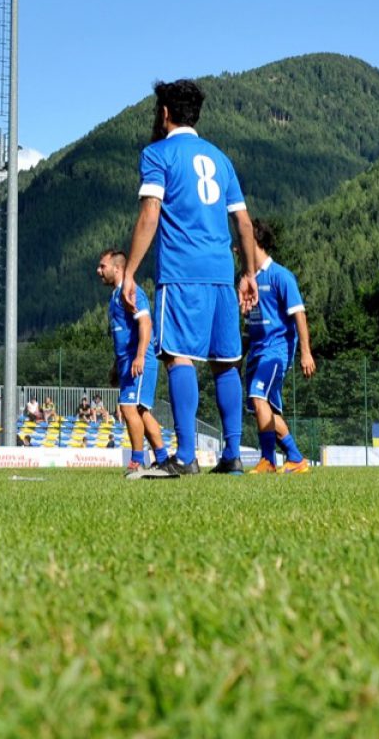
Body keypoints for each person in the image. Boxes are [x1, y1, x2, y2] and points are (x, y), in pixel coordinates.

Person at [122, 79, 259, 476]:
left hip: (182, 273)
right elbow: (244, 223)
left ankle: (184, 457)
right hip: (221, 273)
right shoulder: (220, 158)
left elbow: (150, 213)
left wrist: (129, 272)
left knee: (178, 356)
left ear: (165, 113)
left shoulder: (157, 154)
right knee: (225, 363)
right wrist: (249, 273)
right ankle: (232, 455)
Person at [242, 220, 316, 474]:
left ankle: (268, 461)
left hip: (275, 351)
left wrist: (305, 353)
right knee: (265, 410)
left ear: (255, 242)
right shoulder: (247, 279)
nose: (237, 248)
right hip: (257, 351)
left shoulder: (281, 276)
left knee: (258, 397)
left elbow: (299, 315)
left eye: (242, 240)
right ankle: (296, 458)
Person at [95, 248, 173, 479]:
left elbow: (145, 324)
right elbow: (124, 334)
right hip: (127, 362)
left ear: (117, 268)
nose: (98, 270)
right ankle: (163, 460)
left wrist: (139, 356)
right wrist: (115, 365)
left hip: (139, 361)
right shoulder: (115, 296)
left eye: (102, 266)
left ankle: (137, 462)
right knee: (141, 411)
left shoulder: (132, 292)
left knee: (129, 409)